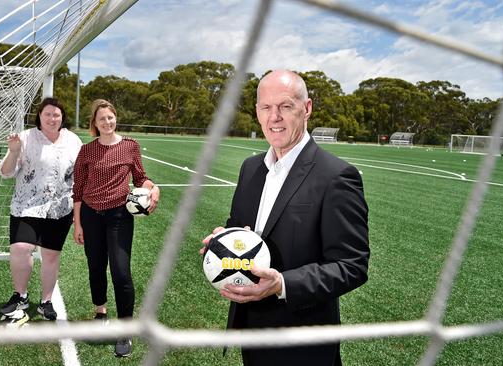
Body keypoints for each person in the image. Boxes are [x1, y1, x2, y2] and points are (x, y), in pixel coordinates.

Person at [201, 70, 370, 365]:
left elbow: (352, 265)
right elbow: (241, 230)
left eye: (286, 106)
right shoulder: (251, 169)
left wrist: (282, 284)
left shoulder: (336, 176)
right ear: (257, 112)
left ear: (306, 109)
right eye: (266, 107)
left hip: (302, 342)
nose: (274, 117)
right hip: (252, 331)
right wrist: (223, 241)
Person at [72, 99, 160, 358]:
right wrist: (78, 223)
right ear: (95, 123)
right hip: (90, 215)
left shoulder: (130, 146)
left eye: (110, 117)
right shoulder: (86, 151)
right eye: (102, 119)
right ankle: (100, 311)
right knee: (96, 266)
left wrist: (154, 188)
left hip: (119, 216)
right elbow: (77, 190)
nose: (107, 122)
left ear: (115, 118)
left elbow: (141, 178)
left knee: (121, 271)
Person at [0, 97, 82, 321]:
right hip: (27, 205)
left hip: (60, 208)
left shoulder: (73, 141)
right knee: (20, 248)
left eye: (56, 114)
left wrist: (77, 212)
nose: (52, 118)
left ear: (62, 117)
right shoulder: (25, 138)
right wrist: (14, 152)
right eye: (48, 114)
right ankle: (21, 296)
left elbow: (79, 177)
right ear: (40, 117)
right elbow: (6, 172)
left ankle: (46, 302)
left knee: (51, 255)